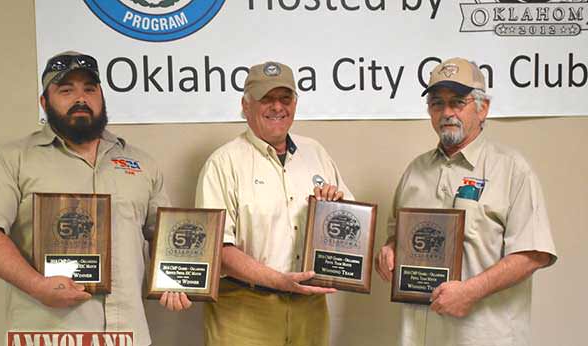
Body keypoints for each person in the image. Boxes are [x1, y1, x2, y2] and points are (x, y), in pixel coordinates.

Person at [0, 51, 190, 346]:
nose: (80, 98)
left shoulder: (142, 164)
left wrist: (176, 280)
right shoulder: (12, 160)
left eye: (89, 89)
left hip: (129, 334)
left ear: (102, 97)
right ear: (45, 102)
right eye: (66, 90)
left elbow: (165, 236)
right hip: (48, 335)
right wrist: (37, 285)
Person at [375, 57, 557, 346]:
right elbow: (397, 237)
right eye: (437, 103)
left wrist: (470, 291)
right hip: (418, 336)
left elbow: (535, 254)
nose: (447, 112)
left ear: (482, 108)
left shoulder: (511, 169)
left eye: (458, 102)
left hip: (482, 337)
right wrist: (388, 250)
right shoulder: (414, 171)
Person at [196, 61, 353, 346]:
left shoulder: (315, 153)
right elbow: (217, 248)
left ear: (295, 103)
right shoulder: (223, 162)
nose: (277, 107)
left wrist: (337, 210)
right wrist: (278, 280)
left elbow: (353, 224)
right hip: (243, 310)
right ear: (246, 106)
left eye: (285, 98)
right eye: (266, 98)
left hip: (310, 307)